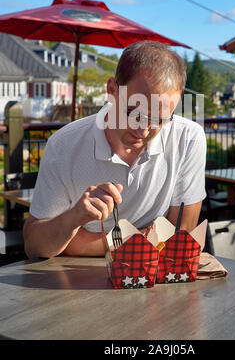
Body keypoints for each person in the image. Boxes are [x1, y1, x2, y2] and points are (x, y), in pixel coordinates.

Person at [23, 41, 207, 258]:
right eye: (134, 112)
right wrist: (74, 218)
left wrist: (81, 240)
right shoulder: (64, 144)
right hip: (77, 281)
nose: (144, 130)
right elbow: (35, 246)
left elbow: (180, 237)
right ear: (112, 90)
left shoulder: (187, 138)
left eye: (160, 119)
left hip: (152, 281)